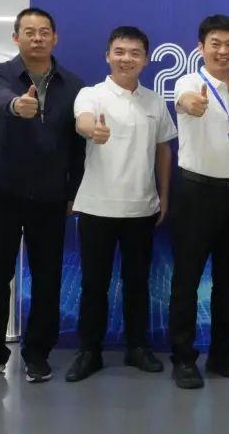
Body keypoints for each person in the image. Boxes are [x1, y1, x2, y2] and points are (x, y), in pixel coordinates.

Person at [0, 7, 86, 384]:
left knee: (47, 276)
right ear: (16, 38)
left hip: (50, 196)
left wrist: (73, 191)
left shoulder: (73, 86)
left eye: (44, 31)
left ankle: (38, 353)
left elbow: (77, 148)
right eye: (29, 32)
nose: (37, 38)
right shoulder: (0, 75)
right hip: (3, 191)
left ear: (55, 38)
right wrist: (16, 104)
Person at [65, 26, 177, 382]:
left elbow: (163, 149)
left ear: (145, 59)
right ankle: (89, 351)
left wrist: (164, 195)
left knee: (137, 282)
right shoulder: (91, 94)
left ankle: (137, 347)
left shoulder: (155, 101)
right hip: (97, 207)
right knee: (93, 284)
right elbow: (83, 121)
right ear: (107, 55)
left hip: (142, 208)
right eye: (119, 51)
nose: (126, 58)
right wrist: (92, 130)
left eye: (134, 53)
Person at [167, 14, 229, 389]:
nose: (223, 51)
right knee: (187, 279)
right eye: (215, 44)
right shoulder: (189, 83)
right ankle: (183, 358)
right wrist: (191, 104)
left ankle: (223, 354)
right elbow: (185, 101)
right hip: (196, 193)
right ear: (200, 47)